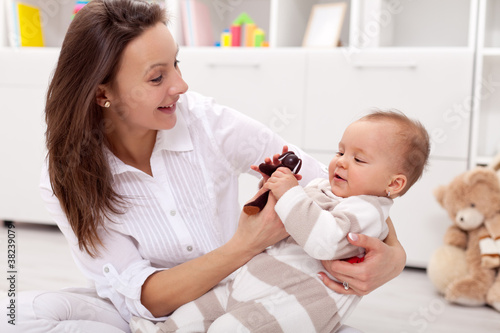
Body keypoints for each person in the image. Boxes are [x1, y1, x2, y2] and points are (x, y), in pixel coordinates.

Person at [0, 1, 406, 332]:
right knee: (14, 313)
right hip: (145, 316)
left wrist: (395, 255)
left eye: (176, 64)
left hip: (243, 294)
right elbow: (145, 297)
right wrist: (246, 243)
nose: (180, 86)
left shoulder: (209, 124)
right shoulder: (66, 178)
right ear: (103, 94)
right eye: (157, 77)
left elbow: (333, 181)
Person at [130, 110, 430, 332]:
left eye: (359, 159)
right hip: (251, 282)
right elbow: (280, 220)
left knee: (229, 328)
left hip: (296, 301)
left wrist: (290, 194)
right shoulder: (322, 188)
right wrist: (271, 190)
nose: (340, 161)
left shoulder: (367, 211)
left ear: (394, 184)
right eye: (341, 151)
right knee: (191, 314)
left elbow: (324, 240)